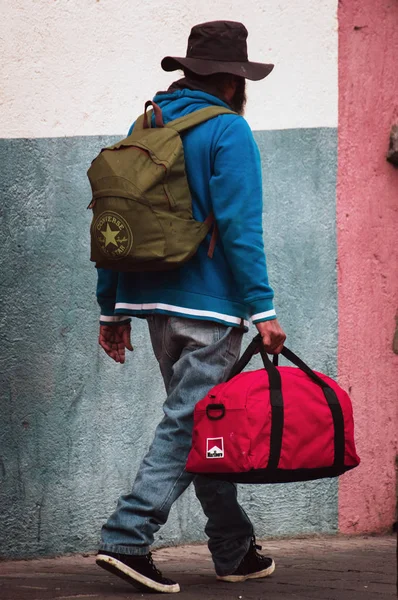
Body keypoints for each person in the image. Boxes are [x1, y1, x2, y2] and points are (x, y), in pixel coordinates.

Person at [95, 20, 286, 594]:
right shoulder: (229, 130)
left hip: (151, 302)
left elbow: (114, 223)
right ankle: (128, 536)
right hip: (210, 309)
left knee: (205, 421)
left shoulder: (147, 122)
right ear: (233, 80)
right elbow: (239, 229)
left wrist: (112, 310)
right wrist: (264, 310)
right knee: (193, 422)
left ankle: (232, 547)